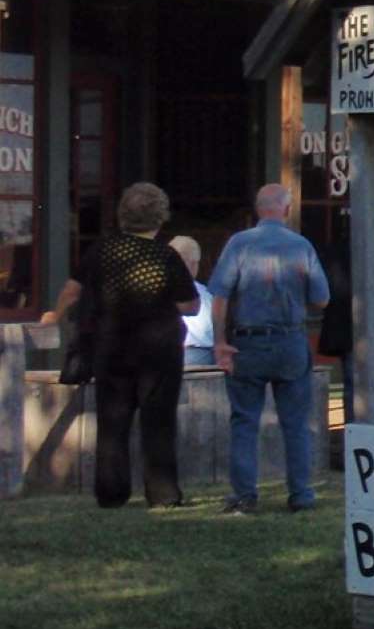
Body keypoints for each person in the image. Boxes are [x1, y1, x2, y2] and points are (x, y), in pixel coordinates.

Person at [75, 183, 198, 508]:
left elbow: (74, 289)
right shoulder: (165, 255)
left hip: (112, 346)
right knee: (158, 422)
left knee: (112, 422)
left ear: (123, 214)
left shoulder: (101, 250)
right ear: (160, 217)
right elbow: (190, 304)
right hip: (158, 350)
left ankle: (111, 491)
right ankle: (163, 492)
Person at [209, 183, 330, 513]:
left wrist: (220, 341)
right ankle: (301, 494)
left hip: (247, 341)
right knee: (296, 422)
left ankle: (245, 495)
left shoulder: (239, 243)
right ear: (287, 210)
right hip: (290, 339)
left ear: (257, 210)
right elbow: (321, 298)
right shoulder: (301, 245)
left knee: (244, 420)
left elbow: (219, 296)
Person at [169, 235, 215, 368]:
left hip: (183, 355)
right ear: (194, 263)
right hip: (196, 355)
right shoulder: (205, 293)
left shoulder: (154, 287)